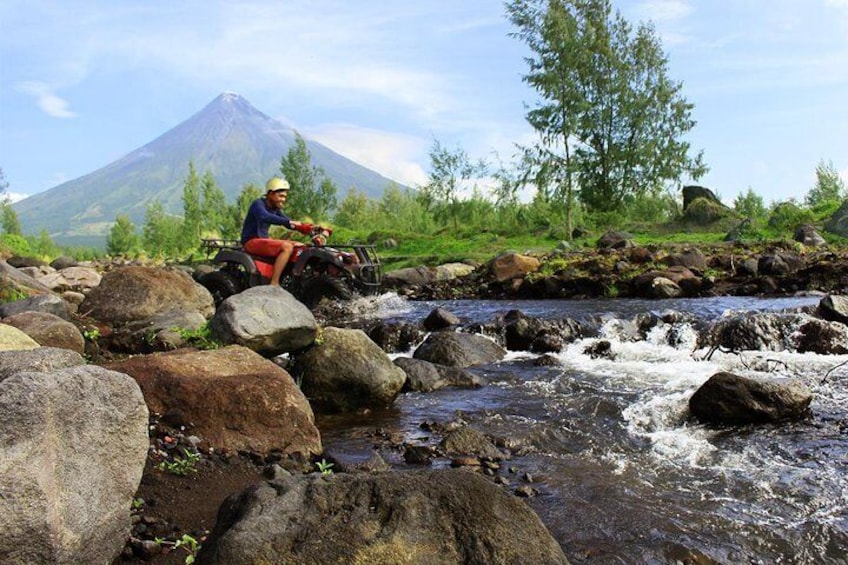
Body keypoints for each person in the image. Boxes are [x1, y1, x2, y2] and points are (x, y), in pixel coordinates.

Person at [240, 177, 312, 286]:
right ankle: (274, 283)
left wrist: (307, 228)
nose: (283, 199)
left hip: (263, 240)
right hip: (251, 241)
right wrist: (289, 222)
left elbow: (287, 222)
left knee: (300, 246)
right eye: (281, 196)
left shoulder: (275, 209)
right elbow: (264, 217)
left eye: (285, 197)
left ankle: (294, 280)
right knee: (286, 247)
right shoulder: (258, 204)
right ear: (270, 194)